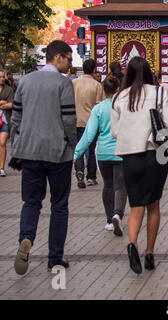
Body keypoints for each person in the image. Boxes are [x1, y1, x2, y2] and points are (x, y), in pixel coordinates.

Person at [11, 40, 76, 275]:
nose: (69, 65)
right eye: (68, 59)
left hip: (29, 152)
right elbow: (69, 119)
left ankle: (26, 238)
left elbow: (16, 118)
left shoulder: (25, 81)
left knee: (31, 202)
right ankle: (55, 258)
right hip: (57, 153)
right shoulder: (63, 83)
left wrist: (16, 147)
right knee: (59, 204)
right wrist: (72, 144)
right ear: (57, 57)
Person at [111, 56, 168, 274]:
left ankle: (132, 244)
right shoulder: (158, 92)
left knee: (135, 205)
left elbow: (114, 131)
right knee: (154, 205)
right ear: (148, 72)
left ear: (127, 73)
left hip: (130, 157)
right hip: (155, 155)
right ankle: (149, 253)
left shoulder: (119, 97)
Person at [74, 75, 127, 236]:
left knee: (108, 186)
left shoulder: (97, 109)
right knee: (120, 186)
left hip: (103, 153)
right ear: (118, 89)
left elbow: (89, 135)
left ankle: (110, 221)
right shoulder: (124, 106)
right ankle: (118, 213)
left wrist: (77, 152)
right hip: (121, 152)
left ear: (103, 90)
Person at [72, 59, 105, 188]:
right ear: (93, 70)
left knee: (78, 147)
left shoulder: (74, 83)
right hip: (91, 122)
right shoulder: (97, 85)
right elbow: (99, 106)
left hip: (76, 121)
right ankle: (91, 176)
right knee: (91, 150)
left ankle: (79, 171)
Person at [0, 70, 14, 176]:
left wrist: (5, 104)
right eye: (0, 77)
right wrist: (2, 102)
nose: (2, 79)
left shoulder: (9, 89)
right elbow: (7, 103)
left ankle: (1, 168)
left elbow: (11, 105)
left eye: (3, 77)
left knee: (2, 143)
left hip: (4, 120)